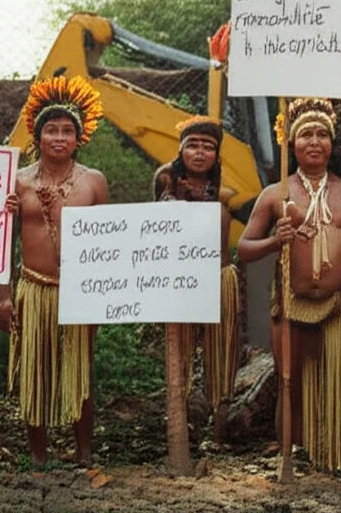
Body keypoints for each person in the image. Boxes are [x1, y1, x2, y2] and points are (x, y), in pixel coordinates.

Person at [237, 98, 341, 472]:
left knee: (339, 383)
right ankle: (290, 457)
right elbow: (244, 248)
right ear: (291, 143)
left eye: (323, 134)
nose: (315, 141)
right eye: (306, 134)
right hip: (291, 302)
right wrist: (275, 241)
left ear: (332, 142)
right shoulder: (276, 193)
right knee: (290, 384)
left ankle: (337, 458)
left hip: (337, 304)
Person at [0, 75, 108, 468]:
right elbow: (1, 244)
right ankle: (38, 455)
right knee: (35, 370)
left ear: (78, 138)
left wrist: (100, 298)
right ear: (37, 136)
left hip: (79, 291)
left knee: (79, 369)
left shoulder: (93, 182)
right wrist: (5, 297)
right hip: (33, 287)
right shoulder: (18, 181)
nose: (59, 137)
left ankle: (84, 452)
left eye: (67, 131)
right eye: (51, 130)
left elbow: (106, 244)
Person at [154, 115, 240, 468]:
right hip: (181, 280)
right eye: (192, 145)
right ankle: (182, 427)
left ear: (217, 155)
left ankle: (219, 434)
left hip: (219, 277)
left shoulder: (225, 194)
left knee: (221, 355)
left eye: (208, 147)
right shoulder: (165, 181)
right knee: (182, 354)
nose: (200, 152)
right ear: (180, 151)